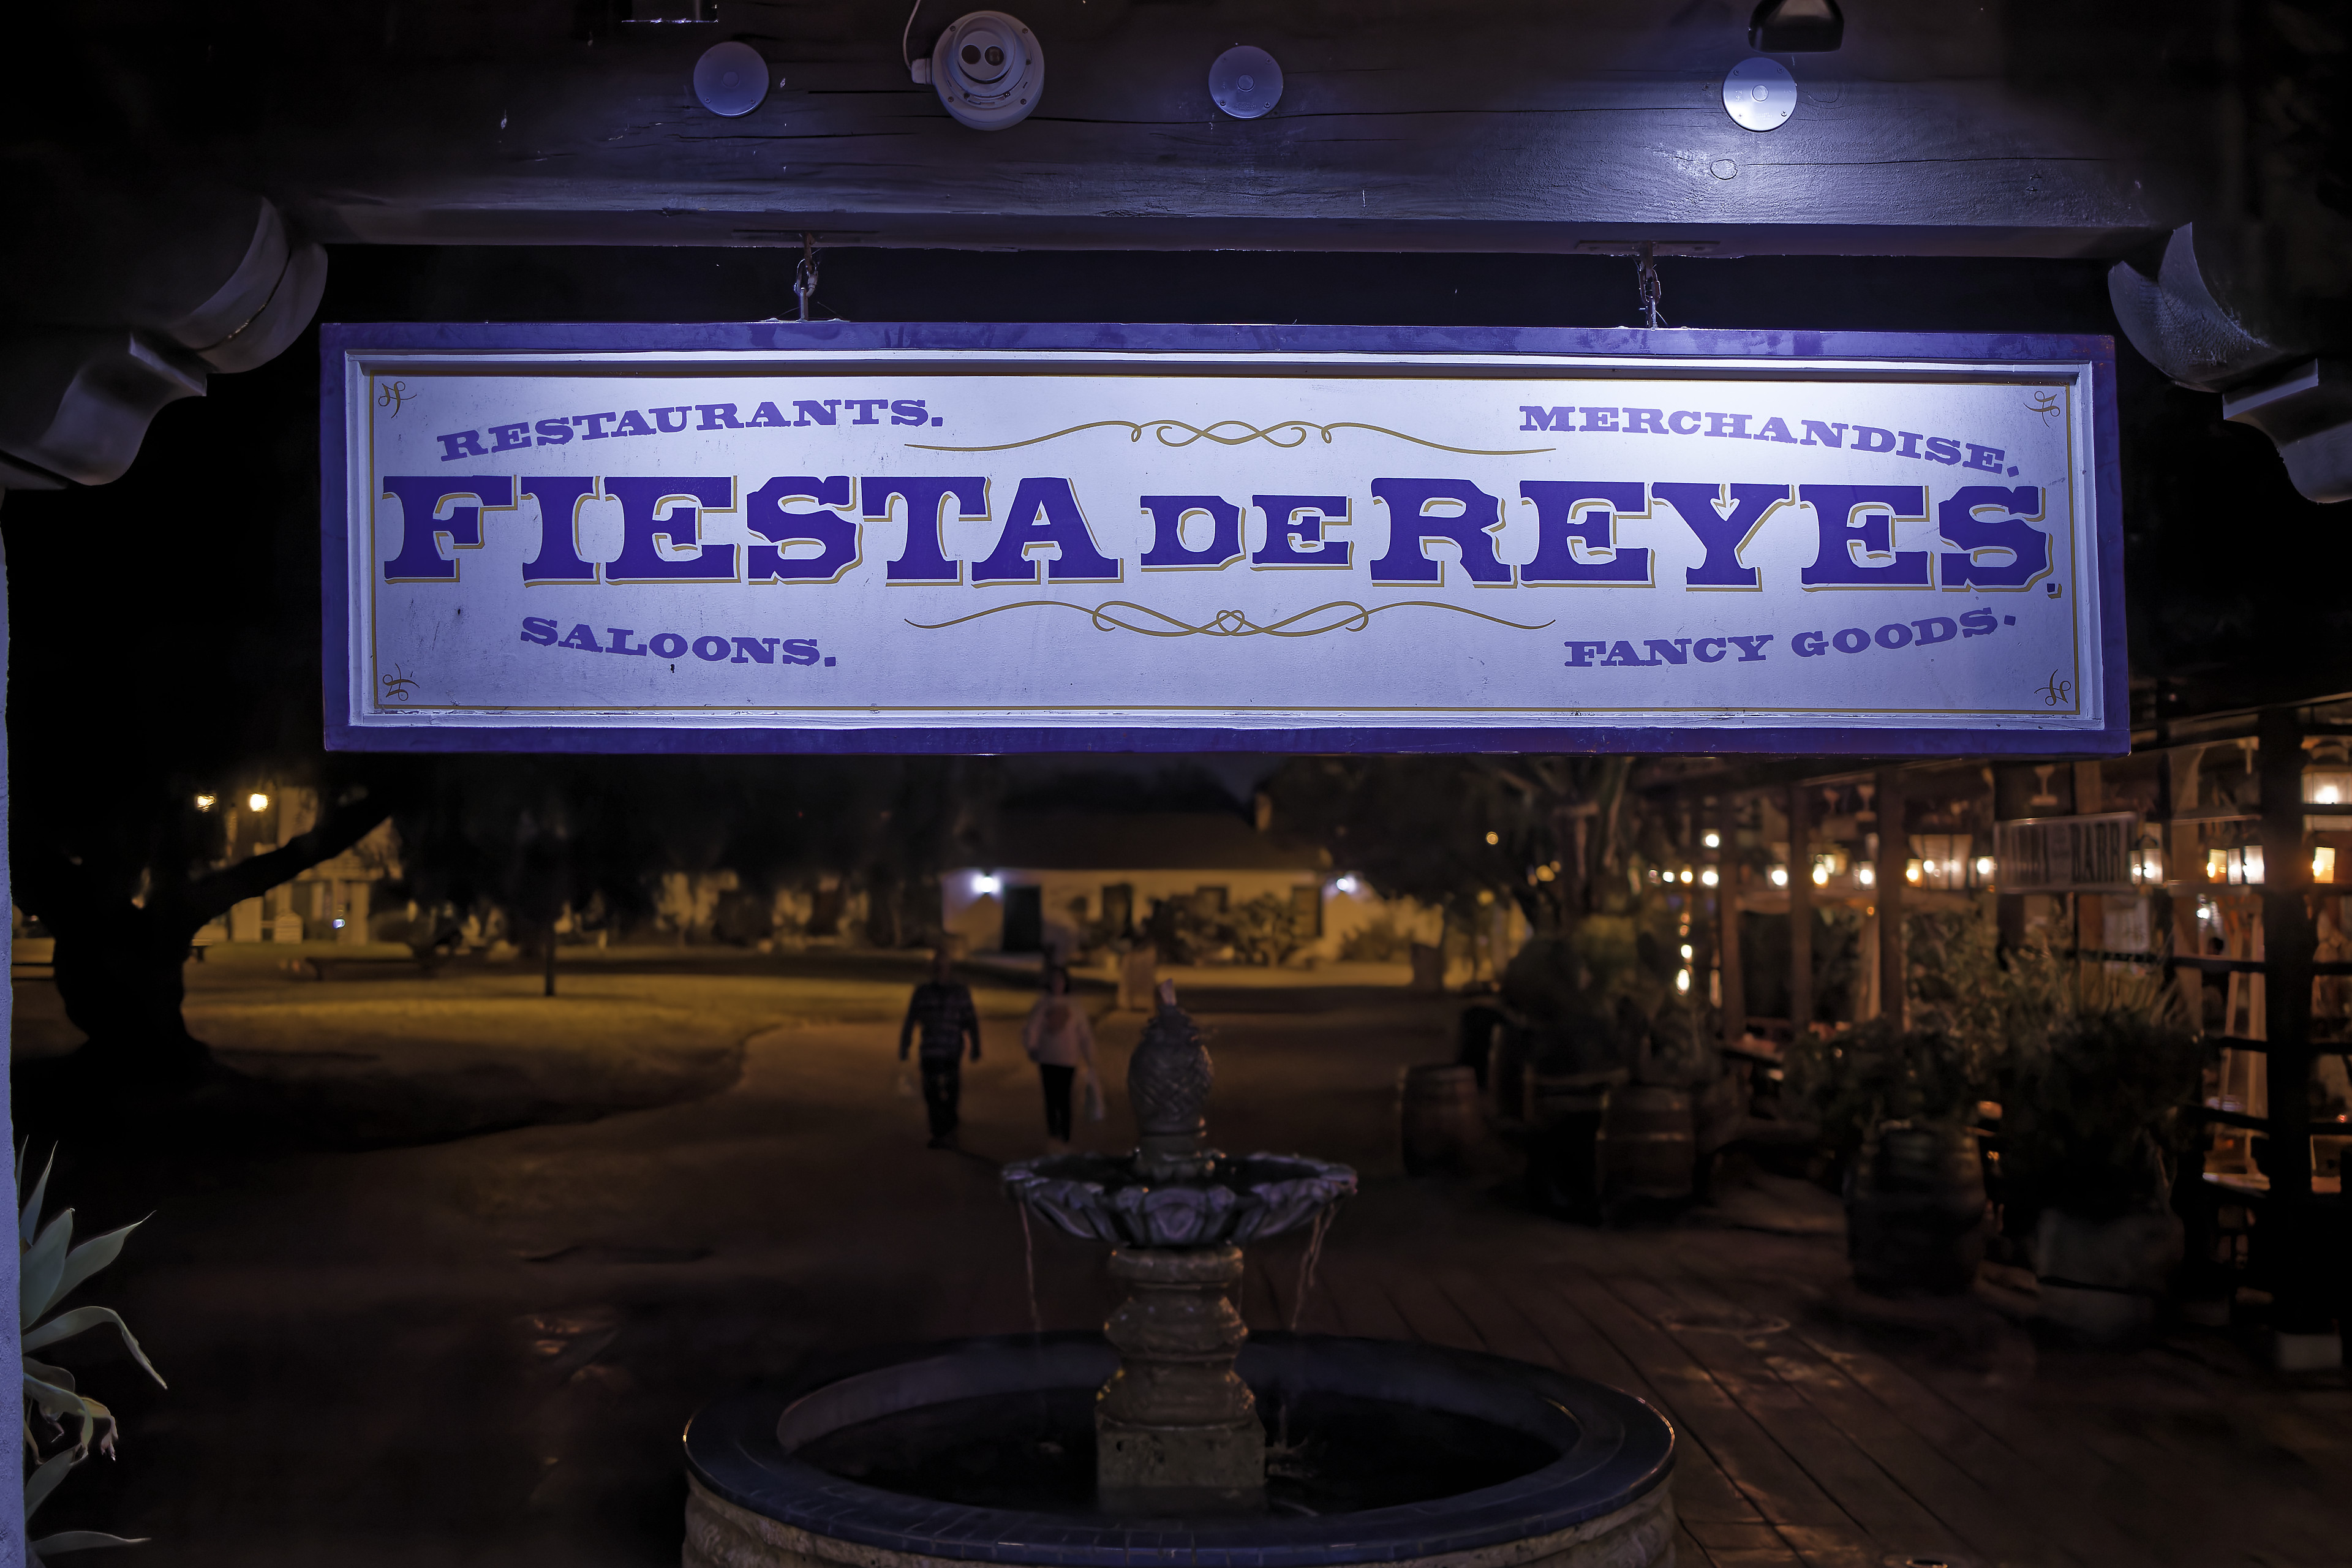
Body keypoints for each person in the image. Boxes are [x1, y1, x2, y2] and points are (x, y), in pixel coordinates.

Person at [899, 951, 981, 1148]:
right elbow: (911, 1019)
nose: (940, 970)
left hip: (952, 1049)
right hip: (930, 1049)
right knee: (931, 1091)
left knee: (951, 1090)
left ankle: (950, 1128)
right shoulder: (923, 992)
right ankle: (938, 1131)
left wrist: (976, 1046)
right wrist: (905, 1044)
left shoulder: (959, 992)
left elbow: (970, 1020)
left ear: (949, 968)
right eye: (937, 966)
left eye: (944, 966)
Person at [1021, 966, 1099, 1148]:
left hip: (1068, 1060)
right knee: (1051, 1098)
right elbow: (1032, 1028)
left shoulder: (1075, 1006)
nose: (1057, 984)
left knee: (1064, 1098)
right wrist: (1031, 1047)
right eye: (1054, 980)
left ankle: (1065, 1135)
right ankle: (1053, 1133)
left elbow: (1084, 1033)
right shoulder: (1043, 1004)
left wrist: (1090, 1057)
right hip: (1047, 1059)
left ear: (1066, 982)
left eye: (1060, 980)